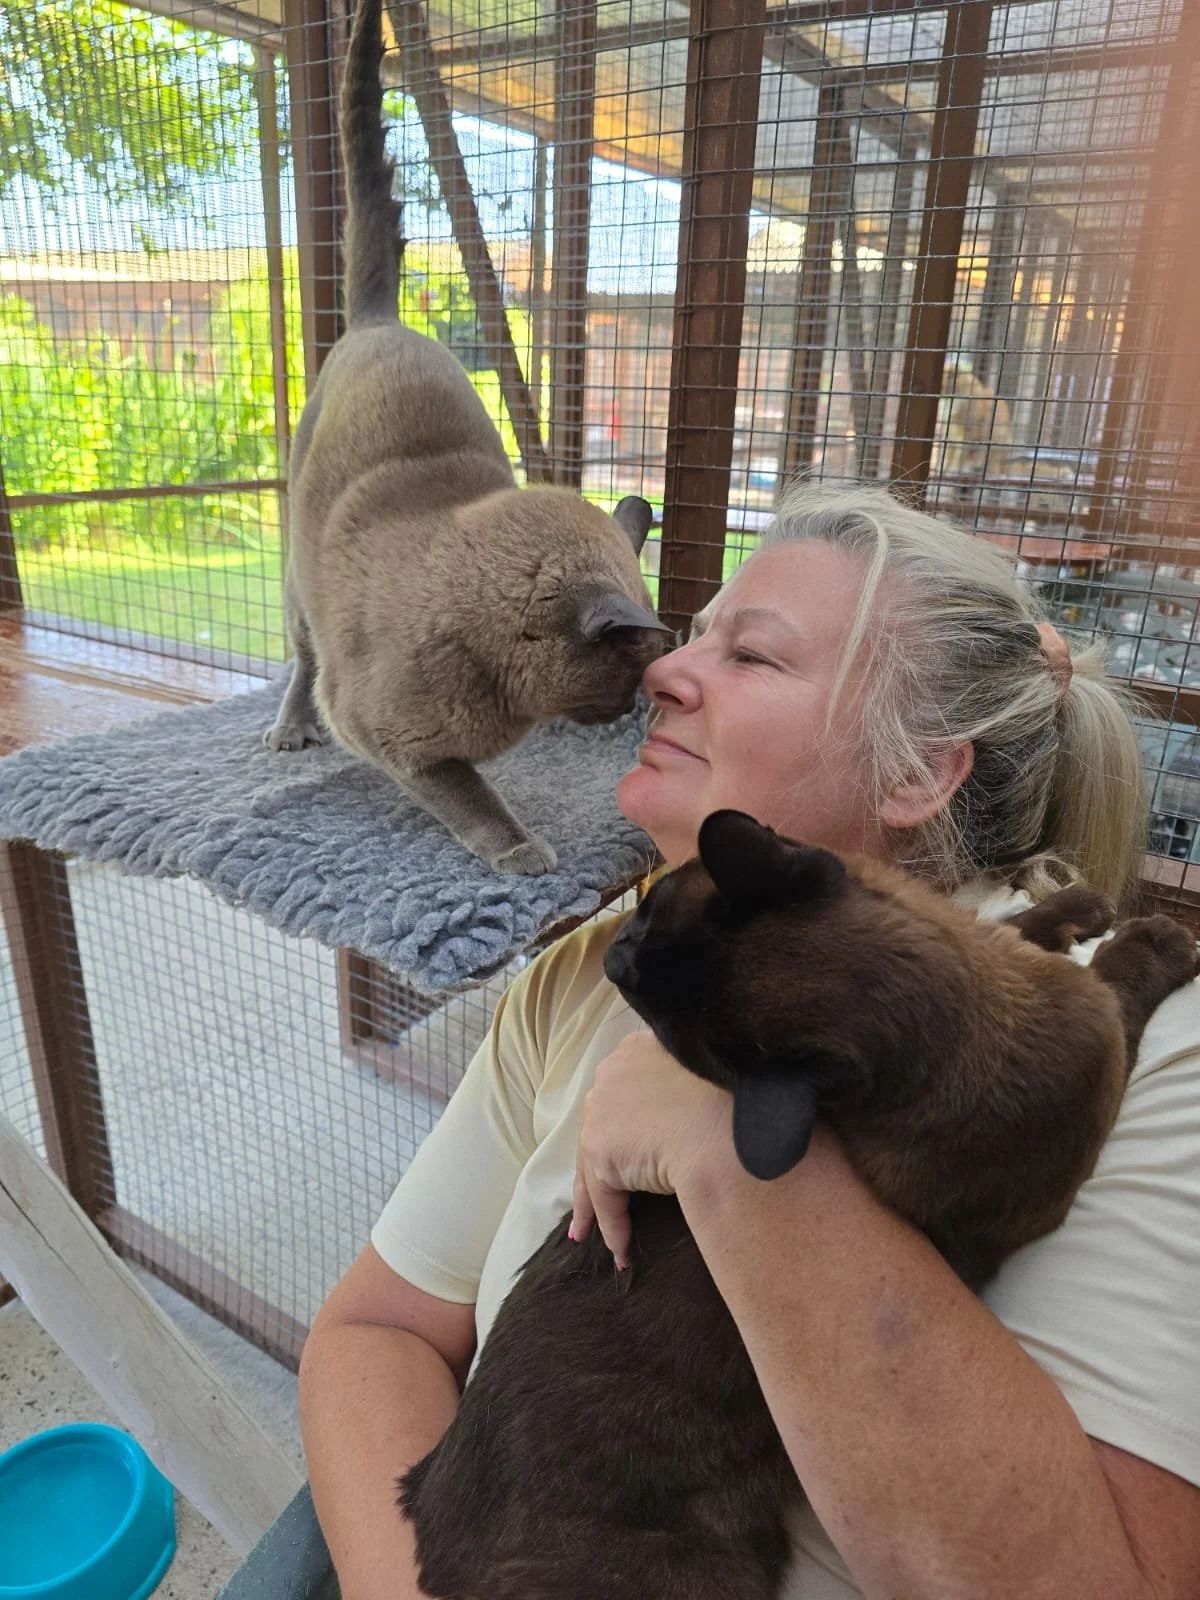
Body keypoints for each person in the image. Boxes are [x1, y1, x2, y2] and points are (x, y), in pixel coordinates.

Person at [299, 485, 1200, 1600]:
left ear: (918, 772)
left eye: (754, 656)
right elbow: (378, 1326)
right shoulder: (590, 976)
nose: (664, 668)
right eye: (699, 633)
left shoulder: (1135, 1055)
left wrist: (728, 1152)